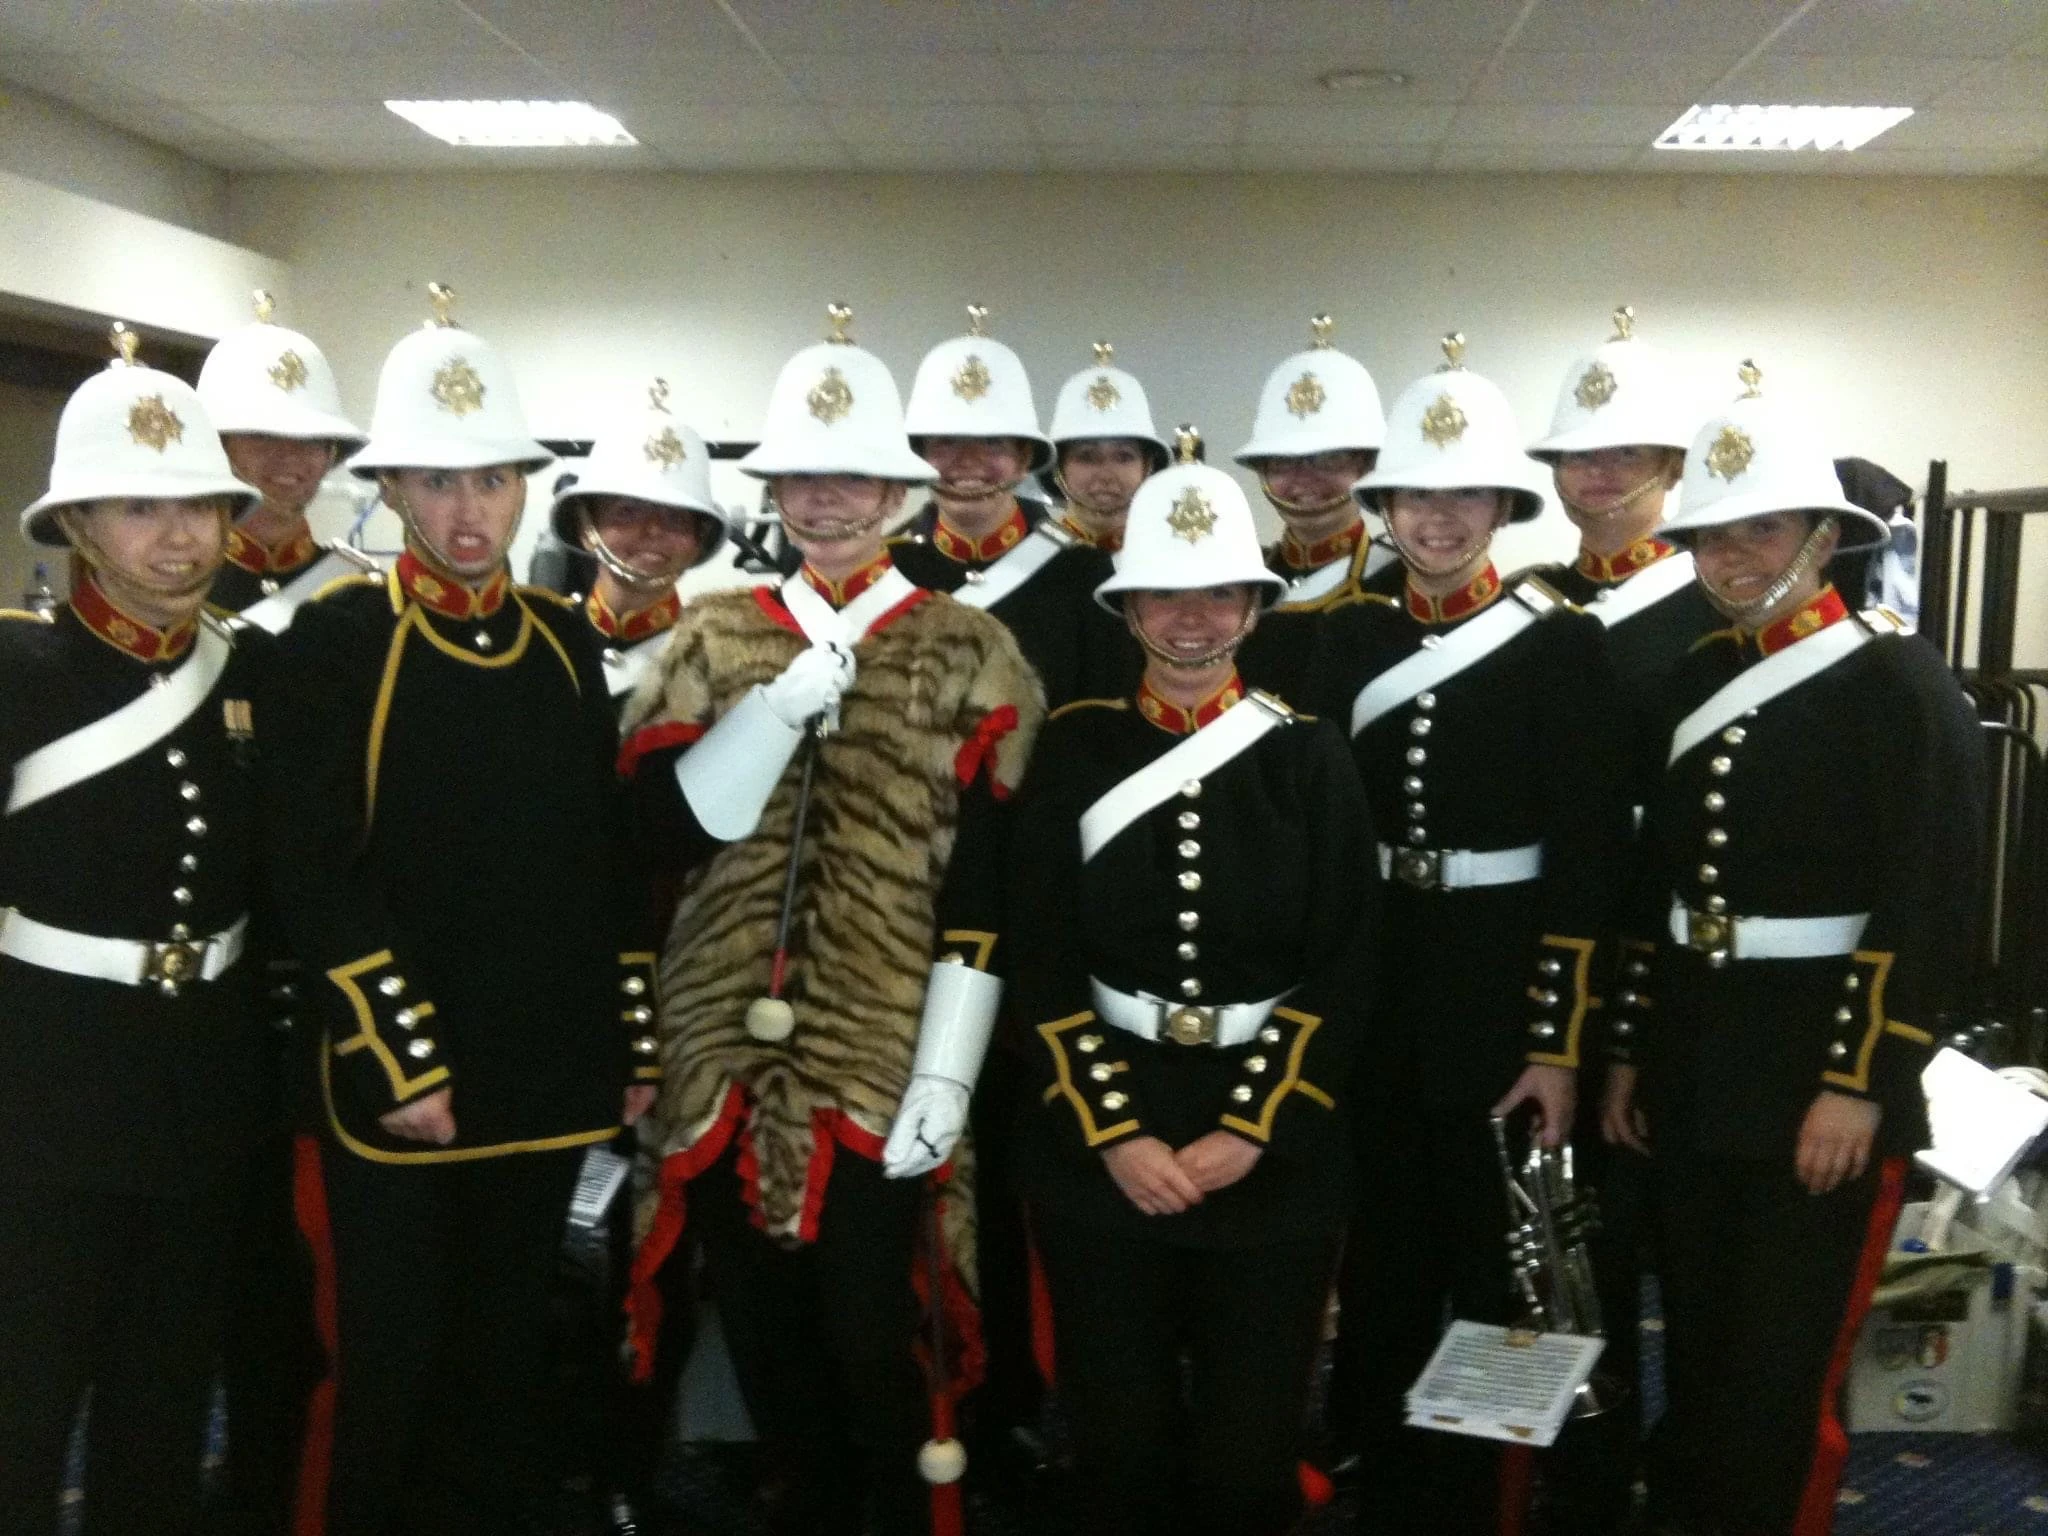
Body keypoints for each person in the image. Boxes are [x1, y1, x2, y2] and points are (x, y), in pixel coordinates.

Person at [619, 304, 1045, 1536]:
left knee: (872, 1326)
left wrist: (949, 1073)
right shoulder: (709, 634)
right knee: (756, 1324)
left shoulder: (972, 651)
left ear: (897, 495)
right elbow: (655, 835)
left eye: (851, 479)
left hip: (882, 1037)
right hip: (719, 1041)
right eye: (802, 478)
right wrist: (761, 719)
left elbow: (990, 887)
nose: (826, 502)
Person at [263, 285, 657, 1535]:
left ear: (526, 489)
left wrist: (628, 1041)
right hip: (406, 1082)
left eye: (491, 481)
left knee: (504, 1366)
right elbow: (314, 872)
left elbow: (600, 864)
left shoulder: (559, 641)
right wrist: (398, 1056)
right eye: (436, 484)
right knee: (386, 1365)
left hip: (542, 1071)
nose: (467, 511)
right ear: (389, 494)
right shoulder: (333, 642)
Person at [1601, 364, 1985, 1536]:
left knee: (1779, 1363)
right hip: (1694, 1057)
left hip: (1812, 1067)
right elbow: (1649, 889)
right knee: (1703, 1338)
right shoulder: (1685, 682)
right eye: (1710, 534)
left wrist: (1855, 1082)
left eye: (1759, 528)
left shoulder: (1895, 681)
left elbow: (1927, 905)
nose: (1730, 556)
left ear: (1824, 536)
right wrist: (1624, 1054)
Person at [1008, 453, 1378, 1536]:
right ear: (1125, 609)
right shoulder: (1073, 746)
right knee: (1115, 1442)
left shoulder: (1308, 758)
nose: (1190, 616)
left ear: (1254, 608)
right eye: (1164, 592)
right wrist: (1115, 1132)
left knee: (1246, 1450)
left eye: (1218, 590)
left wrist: (1249, 1130)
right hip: (1099, 1145)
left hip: (1272, 1153)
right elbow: (1039, 956)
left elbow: (1346, 960)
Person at [1312, 335, 1634, 1536]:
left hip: (1499, 985)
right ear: (1383, 506)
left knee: (1502, 1264)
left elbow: (1587, 863)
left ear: (1499, 505)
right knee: (1383, 1259)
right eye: (1411, 494)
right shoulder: (1344, 638)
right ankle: (1392, 1479)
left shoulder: (1562, 643)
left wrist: (1555, 1043)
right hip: (1379, 974)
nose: (1435, 518)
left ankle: (1490, 1494)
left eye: (1459, 495)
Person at [0, 326, 268, 1536]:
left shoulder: (251, 680)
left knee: (162, 1411)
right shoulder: (19, 677)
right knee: (22, 1400)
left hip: (201, 1089)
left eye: (203, 509)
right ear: (80, 530)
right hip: (39, 1096)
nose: (181, 538)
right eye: (142, 510)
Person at [1522, 305, 1716, 1531]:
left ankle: (1685, 1466)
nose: (1596, 480)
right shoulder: (1528, 602)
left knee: (1678, 1251)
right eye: (1576, 461)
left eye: (1622, 458)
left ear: (1669, 473)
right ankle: (1575, 1476)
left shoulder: (1715, 610)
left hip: (1673, 976)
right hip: (1539, 964)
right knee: (1556, 1246)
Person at [892, 304, 1127, 711]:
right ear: (920, 457)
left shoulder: (1082, 572)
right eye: (945, 442)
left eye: (994, 443)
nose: (968, 460)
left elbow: (1097, 728)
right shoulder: (891, 567)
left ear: (1023, 461)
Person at [198, 289, 377, 628]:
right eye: (262, 436)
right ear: (218, 446)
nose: (289, 456)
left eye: (310, 440)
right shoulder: (173, 592)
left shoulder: (358, 593)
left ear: (331, 454)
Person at [549, 376, 728, 713]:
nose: (654, 529)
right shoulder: (544, 639)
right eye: (628, 512)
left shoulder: (719, 658)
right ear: (587, 529)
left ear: (698, 542)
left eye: (676, 517)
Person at [1234, 312, 1399, 611]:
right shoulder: (1238, 584)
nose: (1304, 477)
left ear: (1370, 464)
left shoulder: (1402, 582)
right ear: (1261, 470)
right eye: (1283, 461)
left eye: (1331, 458)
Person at [1038, 340, 1169, 553]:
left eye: (1124, 457)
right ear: (1057, 467)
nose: (1106, 475)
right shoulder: (1027, 558)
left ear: (1147, 467)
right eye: (1087, 457)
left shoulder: (1169, 556)